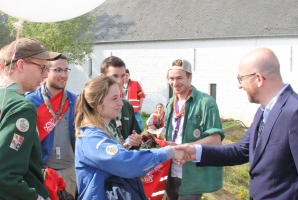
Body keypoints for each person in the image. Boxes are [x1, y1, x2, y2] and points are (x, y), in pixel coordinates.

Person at [175, 48, 298, 199]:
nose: (239, 86)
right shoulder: (263, 111)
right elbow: (242, 150)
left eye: (241, 79)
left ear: (258, 79)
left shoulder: (295, 113)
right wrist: (195, 151)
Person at [74, 76, 185, 200]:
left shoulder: (105, 128)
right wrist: (168, 152)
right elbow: (125, 162)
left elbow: (115, 155)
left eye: (120, 97)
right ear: (96, 104)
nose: (120, 103)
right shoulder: (91, 137)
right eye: (114, 98)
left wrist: (128, 144)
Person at [0, 38, 61, 200]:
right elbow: (4, 174)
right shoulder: (21, 106)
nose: (46, 74)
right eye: (42, 67)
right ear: (20, 65)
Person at [164, 59, 225, 200]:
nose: (175, 83)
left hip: (192, 175)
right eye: (171, 78)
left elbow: (215, 139)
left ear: (190, 77)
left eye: (179, 78)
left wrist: (186, 147)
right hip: (169, 172)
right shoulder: (170, 103)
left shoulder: (206, 102)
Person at [26, 55, 78, 197]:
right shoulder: (30, 101)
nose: (63, 75)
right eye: (58, 70)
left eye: (66, 70)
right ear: (45, 71)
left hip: (69, 171)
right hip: (41, 172)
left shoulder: (75, 101)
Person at [100, 56, 142, 149]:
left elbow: (136, 134)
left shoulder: (126, 105)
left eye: (123, 76)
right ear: (102, 77)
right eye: (114, 76)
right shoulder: (95, 106)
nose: (119, 81)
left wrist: (136, 140)